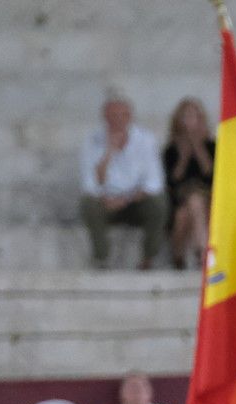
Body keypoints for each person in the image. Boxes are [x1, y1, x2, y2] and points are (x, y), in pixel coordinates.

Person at [79, 89, 167, 270]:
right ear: (105, 118)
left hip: (136, 201)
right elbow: (90, 184)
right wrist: (109, 152)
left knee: (159, 204)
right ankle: (101, 258)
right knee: (88, 204)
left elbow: (154, 183)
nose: (116, 121)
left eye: (121, 116)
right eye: (112, 116)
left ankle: (149, 257)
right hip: (107, 202)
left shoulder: (146, 141)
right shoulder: (92, 141)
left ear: (129, 117)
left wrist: (127, 199)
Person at [161, 97, 214, 271]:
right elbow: (174, 179)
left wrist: (198, 147)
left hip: (208, 200)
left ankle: (198, 254)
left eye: (194, 116)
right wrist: (184, 155)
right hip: (181, 200)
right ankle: (196, 254)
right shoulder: (171, 150)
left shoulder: (212, 146)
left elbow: (211, 174)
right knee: (184, 213)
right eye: (186, 116)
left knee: (196, 202)